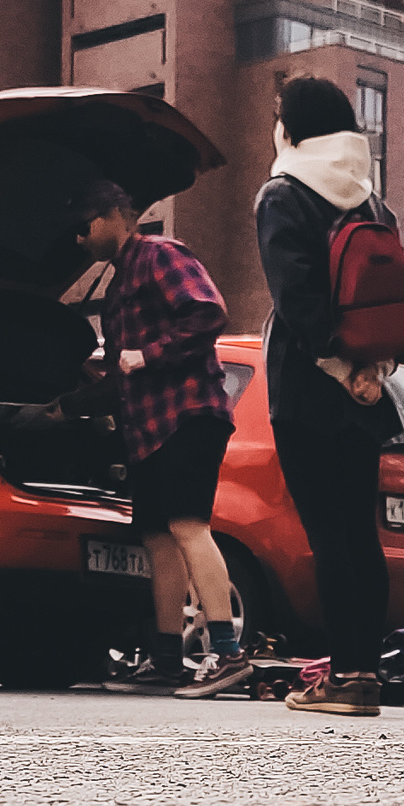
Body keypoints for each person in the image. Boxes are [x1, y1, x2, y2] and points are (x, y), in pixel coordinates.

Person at [73, 178, 252, 698]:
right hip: (148, 430)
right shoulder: (115, 287)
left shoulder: (157, 254)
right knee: (157, 538)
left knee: (188, 525)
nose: (79, 241)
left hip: (190, 415)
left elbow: (207, 311)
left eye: (83, 228)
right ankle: (167, 660)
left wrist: (147, 355)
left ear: (112, 215)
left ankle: (228, 655)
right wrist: (61, 408)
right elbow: (117, 379)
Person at [254, 75, 397, 718]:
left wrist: (341, 371)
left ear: (294, 128)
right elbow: (393, 300)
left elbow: (298, 305)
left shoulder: (283, 195)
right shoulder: (373, 204)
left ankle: (343, 677)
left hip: (310, 392)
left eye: (277, 116)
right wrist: (374, 371)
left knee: (328, 536)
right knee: (361, 535)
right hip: (367, 393)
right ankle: (365, 672)